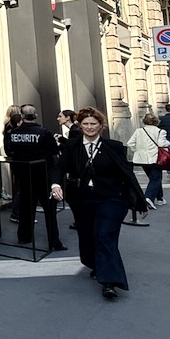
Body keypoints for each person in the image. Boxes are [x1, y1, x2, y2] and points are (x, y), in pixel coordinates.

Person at [51, 106, 147, 299]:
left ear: (101, 125)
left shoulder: (113, 146)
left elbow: (126, 174)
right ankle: (96, 264)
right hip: (82, 198)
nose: (89, 127)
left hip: (111, 198)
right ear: (80, 125)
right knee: (87, 236)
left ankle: (110, 282)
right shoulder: (72, 145)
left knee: (104, 235)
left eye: (93, 124)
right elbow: (59, 168)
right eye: (85, 124)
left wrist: (140, 201)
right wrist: (55, 185)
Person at [5, 105, 66, 251]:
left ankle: (24, 237)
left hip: (24, 176)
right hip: (43, 175)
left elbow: (10, 151)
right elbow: (54, 152)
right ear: (36, 116)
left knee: (26, 208)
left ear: (22, 116)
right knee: (50, 211)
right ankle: (54, 241)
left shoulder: (13, 133)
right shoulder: (44, 133)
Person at [126, 113, 170, 208]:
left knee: (154, 177)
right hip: (154, 158)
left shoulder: (139, 131)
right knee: (156, 178)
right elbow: (161, 143)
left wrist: (137, 150)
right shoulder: (160, 131)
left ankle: (160, 198)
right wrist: (168, 142)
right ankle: (148, 197)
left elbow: (130, 143)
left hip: (141, 159)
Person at [2, 105, 24, 221]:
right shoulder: (12, 130)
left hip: (14, 160)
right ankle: (17, 213)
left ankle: (17, 213)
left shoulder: (8, 128)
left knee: (19, 186)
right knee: (21, 187)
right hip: (18, 160)